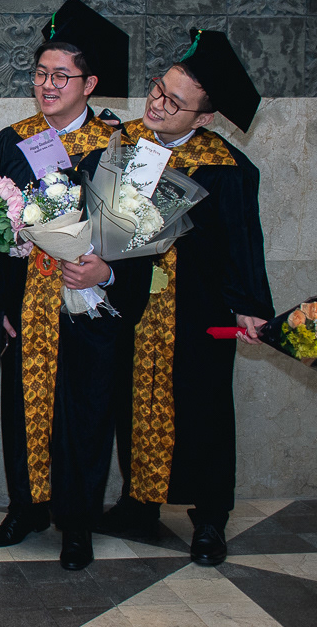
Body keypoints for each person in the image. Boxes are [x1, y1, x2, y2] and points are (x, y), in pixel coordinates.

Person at [97, 30, 273, 567]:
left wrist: (250, 305)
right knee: (131, 403)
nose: (157, 104)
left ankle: (210, 515)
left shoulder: (226, 167)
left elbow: (244, 243)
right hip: (132, 305)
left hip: (195, 312)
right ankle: (138, 504)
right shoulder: (122, 144)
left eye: (174, 103)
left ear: (204, 117)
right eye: (158, 89)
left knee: (204, 409)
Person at [0, 0, 149, 570]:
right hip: (28, 303)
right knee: (23, 410)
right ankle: (25, 508)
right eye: (40, 74)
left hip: (91, 303)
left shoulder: (120, 146)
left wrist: (108, 271)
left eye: (61, 76)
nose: (47, 85)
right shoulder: (12, 139)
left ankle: (77, 523)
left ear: (90, 84)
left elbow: (140, 234)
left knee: (85, 412)